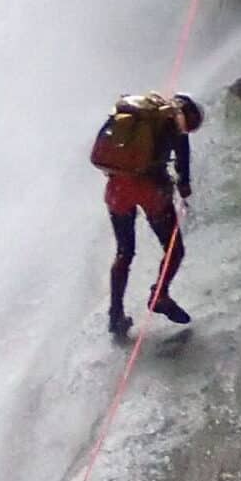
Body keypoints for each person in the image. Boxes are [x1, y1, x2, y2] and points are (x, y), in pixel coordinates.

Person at [89, 91, 204, 342]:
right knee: (175, 250)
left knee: (124, 251)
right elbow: (182, 169)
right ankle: (159, 295)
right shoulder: (174, 121)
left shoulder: (136, 115)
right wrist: (183, 190)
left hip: (117, 188)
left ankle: (116, 314)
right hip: (151, 190)